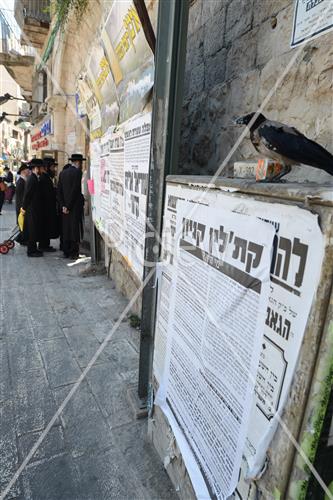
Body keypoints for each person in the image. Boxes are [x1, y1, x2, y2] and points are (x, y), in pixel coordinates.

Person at [57, 154, 85, 259]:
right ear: (77, 162)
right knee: (74, 229)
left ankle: (66, 251)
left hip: (64, 208)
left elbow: (59, 191)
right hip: (74, 207)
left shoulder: (62, 173)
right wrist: (68, 206)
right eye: (81, 162)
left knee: (66, 229)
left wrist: (63, 205)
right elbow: (75, 190)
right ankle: (73, 253)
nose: (81, 165)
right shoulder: (78, 172)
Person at [21, 159, 43, 257]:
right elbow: (27, 195)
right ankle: (31, 251)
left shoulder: (34, 177)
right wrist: (24, 208)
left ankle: (34, 249)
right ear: (36, 168)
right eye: (40, 168)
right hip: (31, 209)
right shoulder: (32, 178)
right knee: (32, 230)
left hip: (34, 208)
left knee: (33, 229)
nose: (42, 170)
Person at [39, 157, 59, 252]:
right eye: (52, 167)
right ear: (47, 167)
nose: (54, 169)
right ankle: (43, 246)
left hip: (47, 208)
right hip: (45, 209)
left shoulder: (46, 177)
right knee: (45, 227)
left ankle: (45, 244)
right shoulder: (44, 178)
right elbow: (47, 194)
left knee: (46, 227)